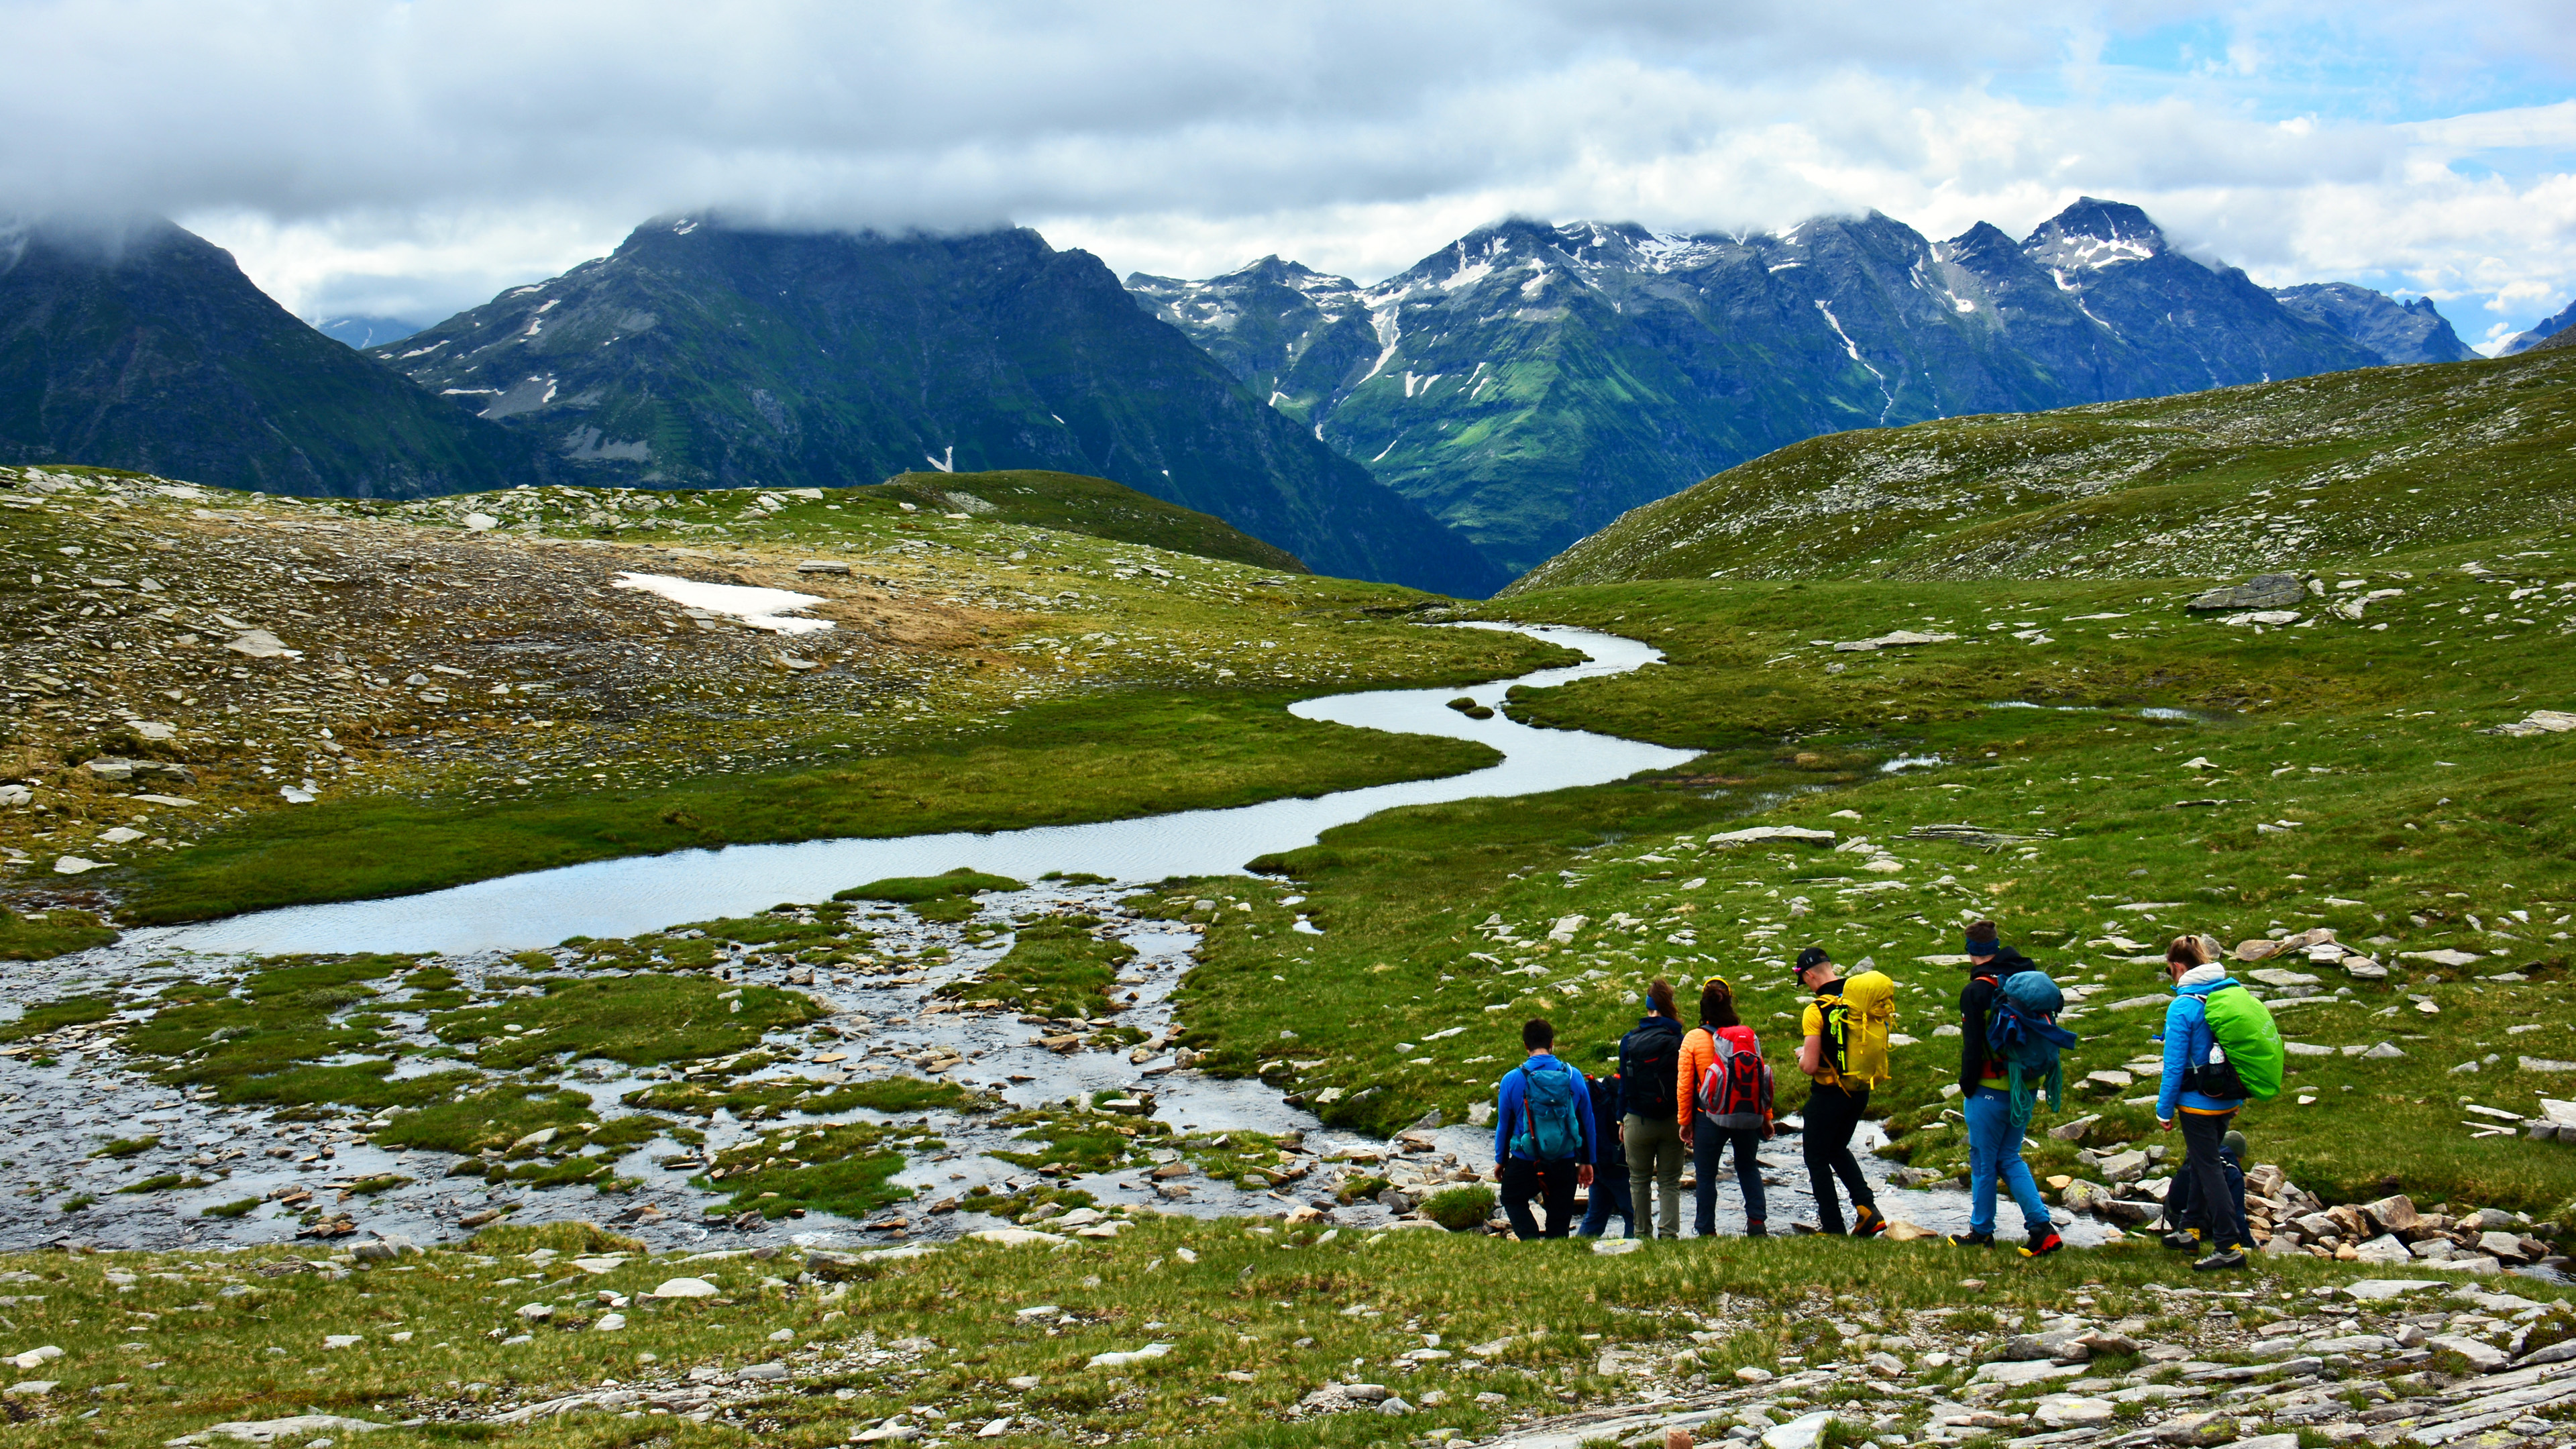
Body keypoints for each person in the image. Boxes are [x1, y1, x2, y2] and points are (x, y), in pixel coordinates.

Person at [1946, 920, 2062, 1256]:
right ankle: (2043, 1229)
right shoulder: (2025, 979)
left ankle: (1982, 1231)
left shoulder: (1976, 991)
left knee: (1983, 1161)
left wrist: (1967, 1086)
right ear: (1996, 947)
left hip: (1990, 1089)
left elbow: (1972, 1046)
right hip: (2026, 1086)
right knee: (2010, 1156)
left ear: (1971, 951)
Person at [2157, 936, 2254, 1271]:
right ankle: (2190, 1229)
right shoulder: (2226, 993)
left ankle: (2228, 1245)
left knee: (2209, 1166)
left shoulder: (2183, 1006)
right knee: (2201, 1162)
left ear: (2179, 967)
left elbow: (2173, 1065)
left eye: (2170, 969)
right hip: (2226, 1098)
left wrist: (2164, 1109)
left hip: (2197, 1103)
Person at [1794, 946, 1888, 1238]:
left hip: (1828, 1094)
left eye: (1805, 980)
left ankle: (1833, 1227)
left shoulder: (1816, 1009)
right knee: (1836, 1148)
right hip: (1859, 1090)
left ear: (1810, 975)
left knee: (1816, 1157)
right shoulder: (1859, 999)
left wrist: (1801, 1056)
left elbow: (1810, 1067)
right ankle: (1868, 1211)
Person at [1678, 975, 1772, 1236]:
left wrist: (1685, 1122)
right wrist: (1766, 1117)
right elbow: (1760, 1078)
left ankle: (1706, 1229)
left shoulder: (1694, 1039)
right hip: (1747, 1112)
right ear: (1731, 1003)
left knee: (1706, 1175)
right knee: (1748, 1167)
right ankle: (1757, 1223)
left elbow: (1685, 1086)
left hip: (1709, 1116)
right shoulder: (1747, 1036)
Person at [1491, 1017, 1595, 1240]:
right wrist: (1586, 1161)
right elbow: (1587, 1123)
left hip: (1526, 1160)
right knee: (1559, 1218)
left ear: (1526, 1046)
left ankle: (1531, 1242)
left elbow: (1505, 1125)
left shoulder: (1512, 1079)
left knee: (1511, 1197)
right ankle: (1556, 1257)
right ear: (1552, 1044)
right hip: (1564, 1160)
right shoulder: (1572, 1075)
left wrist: (1501, 1159)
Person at [1619, 979, 1690, 1240]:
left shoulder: (1630, 1039)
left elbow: (1623, 1084)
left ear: (1649, 1008)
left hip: (1637, 1120)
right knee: (1669, 1182)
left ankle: (1641, 1235)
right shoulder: (1680, 1039)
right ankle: (1669, 1235)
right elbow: (1686, 1082)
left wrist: (1620, 1119)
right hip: (1673, 1120)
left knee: (1639, 1180)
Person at [1577, 1063, 1634, 1238]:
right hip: (1620, 1164)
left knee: (1596, 1215)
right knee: (1632, 1214)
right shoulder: (1628, 1093)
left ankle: (1578, 1249)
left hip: (1597, 1161)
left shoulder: (1600, 1089)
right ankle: (1635, 1249)